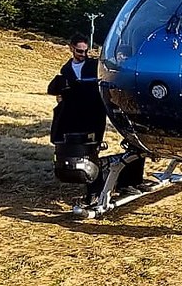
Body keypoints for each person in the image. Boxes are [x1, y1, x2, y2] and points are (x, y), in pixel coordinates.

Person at [47, 34, 146, 199]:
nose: (83, 54)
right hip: (73, 118)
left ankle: (107, 188)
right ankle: (94, 190)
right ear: (71, 48)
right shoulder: (66, 71)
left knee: (92, 151)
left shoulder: (95, 66)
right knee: (81, 154)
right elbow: (56, 90)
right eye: (79, 51)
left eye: (86, 51)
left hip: (93, 116)